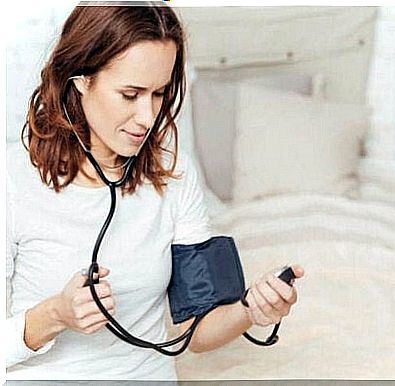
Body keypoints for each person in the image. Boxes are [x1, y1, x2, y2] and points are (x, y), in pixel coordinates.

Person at [6, 2, 304, 381]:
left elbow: (197, 330)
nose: (148, 118)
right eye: (130, 94)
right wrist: (54, 315)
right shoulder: (12, 181)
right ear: (80, 79)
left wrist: (251, 308)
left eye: (159, 94)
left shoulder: (173, 172)